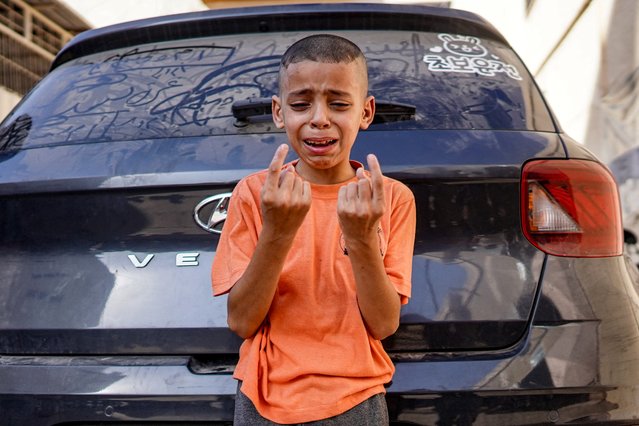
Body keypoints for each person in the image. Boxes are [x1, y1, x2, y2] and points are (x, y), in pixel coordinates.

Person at [211, 34, 416, 425]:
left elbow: (384, 324)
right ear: (278, 111)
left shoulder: (389, 198)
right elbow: (241, 322)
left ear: (366, 112)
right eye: (301, 104)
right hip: (265, 397)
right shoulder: (256, 194)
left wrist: (360, 239)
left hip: (356, 398)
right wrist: (278, 231)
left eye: (339, 104)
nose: (319, 118)